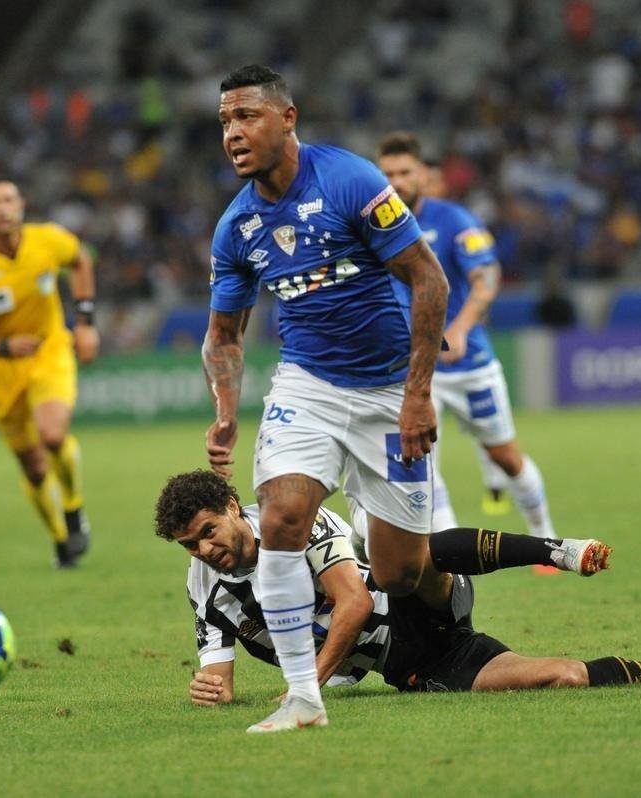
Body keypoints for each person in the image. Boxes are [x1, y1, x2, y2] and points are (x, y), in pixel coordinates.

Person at [203, 64, 452, 732]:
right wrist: (227, 412)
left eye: (246, 116)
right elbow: (224, 335)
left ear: (288, 118)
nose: (233, 133)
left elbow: (429, 281)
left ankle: (448, 591)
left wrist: (417, 396)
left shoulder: (351, 181)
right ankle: (303, 698)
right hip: (306, 386)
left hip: (386, 391)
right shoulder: (236, 228)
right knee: (281, 519)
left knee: (401, 573)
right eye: (225, 121)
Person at [153, 471, 641, 711]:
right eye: (190, 545)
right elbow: (219, 673)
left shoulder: (294, 521)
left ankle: (554, 549)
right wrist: (211, 684)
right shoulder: (204, 585)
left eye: (208, 532)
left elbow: (356, 602)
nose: (205, 549)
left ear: (234, 508)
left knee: (399, 564)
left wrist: (303, 687)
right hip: (421, 661)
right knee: (564, 678)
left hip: (412, 599)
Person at [377, 132, 558, 572]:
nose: (397, 181)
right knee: (421, 461)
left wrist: (457, 329)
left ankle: (545, 539)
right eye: (388, 174)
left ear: (423, 174)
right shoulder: (371, 227)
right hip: (414, 369)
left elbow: (486, 279)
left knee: (505, 456)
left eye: (405, 172)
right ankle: (446, 558)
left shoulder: (454, 220)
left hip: (469, 364)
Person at [0, 177, 99, 568]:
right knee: (32, 463)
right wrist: (3, 347)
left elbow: (80, 260)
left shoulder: (49, 239)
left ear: (21, 204)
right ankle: (60, 539)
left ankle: (74, 510)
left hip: (50, 351)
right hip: (0, 370)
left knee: (52, 434)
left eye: (9, 199)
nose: (3, 208)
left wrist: (85, 321)